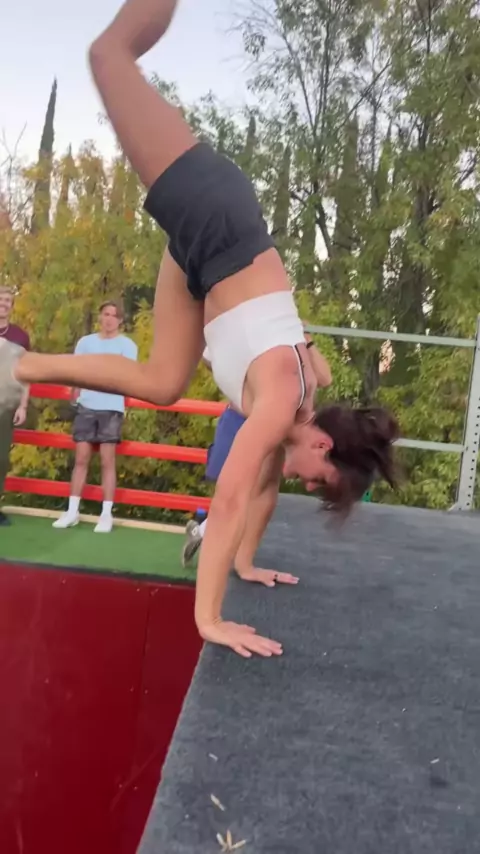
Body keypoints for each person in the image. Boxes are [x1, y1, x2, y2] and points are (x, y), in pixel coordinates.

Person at [0, 0, 398, 658]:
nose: (302, 483)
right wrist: (208, 619)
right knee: (109, 56)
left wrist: (246, 564)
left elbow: (261, 492)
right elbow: (232, 498)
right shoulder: (282, 398)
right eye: (316, 480)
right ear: (323, 446)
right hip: (214, 215)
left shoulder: (298, 404)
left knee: (164, 382)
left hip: (201, 260)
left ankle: (22, 366)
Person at [182, 327, 333, 576]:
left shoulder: (299, 384)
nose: (308, 486)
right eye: (316, 479)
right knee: (238, 493)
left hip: (261, 405)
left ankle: (210, 538)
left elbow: (324, 378)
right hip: (242, 414)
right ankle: (208, 537)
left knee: (254, 489)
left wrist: (306, 340)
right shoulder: (287, 392)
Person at [53, 300, 138, 533]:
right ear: (100, 316)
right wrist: (75, 392)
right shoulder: (86, 342)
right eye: (105, 314)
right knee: (81, 459)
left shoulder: (127, 345)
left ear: (120, 320)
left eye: (114, 315)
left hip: (111, 407)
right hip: (86, 406)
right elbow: (76, 372)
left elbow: (127, 375)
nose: (109, 319)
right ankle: (72, 511)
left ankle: (106, 514)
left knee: (107, 461)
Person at [0, 286, 30, 526]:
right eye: (0, 299)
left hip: (6, 405)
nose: (3, 303)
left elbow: (26, 374)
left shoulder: (20, 337)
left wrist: (23, 406)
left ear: (12, 306)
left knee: (1, 459)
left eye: (8, 300)